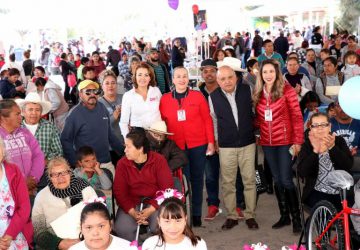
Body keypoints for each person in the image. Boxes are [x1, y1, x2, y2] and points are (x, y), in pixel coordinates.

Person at [160, 67, 215, 227]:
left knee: (197, 180)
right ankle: (182, 214)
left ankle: (196, 214)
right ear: (173, 79)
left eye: (184, 76)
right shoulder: (165, 99)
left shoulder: (197, 96)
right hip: (176, 147)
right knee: (180, 182)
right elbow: (162, 124)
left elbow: (207, 119)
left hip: (198, 144)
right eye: (178, 76)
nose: (182, 79)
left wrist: (211, 141)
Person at [253, 59, 304, 234]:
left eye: (271, 72)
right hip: (267, 143)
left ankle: (297, 219)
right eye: (264, 72)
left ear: (277, 73)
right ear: (260, 74)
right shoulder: (259, 93)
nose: (268, 75)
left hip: (285, 141)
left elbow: (297, 117)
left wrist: (298, 141)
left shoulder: (287, 90)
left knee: (286, 179)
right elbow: (259, 119)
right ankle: (285, 216)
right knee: (276, 179)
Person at [209, 66, 258, 230]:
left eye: (230, 77)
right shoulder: (213, 96)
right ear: (218, 81)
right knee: (228, 182)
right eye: (222, 79)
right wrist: (216, 140)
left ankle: (250, 214)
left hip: (247, 143)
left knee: (249, 181)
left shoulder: (247, 89)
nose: (227, 81)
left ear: (236, 77)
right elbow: (214, 120)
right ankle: (232, 216)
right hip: (226, 146)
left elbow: (255, 111)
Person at [113, 129, 174, 241]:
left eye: (128, 146)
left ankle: (156, 246)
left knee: (160, 226)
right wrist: (133, 213)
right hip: (132, 203)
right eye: (125, 146)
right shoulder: (122, 164)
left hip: (155, 203)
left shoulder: (158, 160)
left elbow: (166, 189)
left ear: (140, 148)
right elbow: (119, 192)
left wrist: (151, 209)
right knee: (122, 229)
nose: (125, 150)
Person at [32, 157, 97, 250]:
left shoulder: (85, 188)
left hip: (86, 240)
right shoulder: (41, 197)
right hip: (55, 243)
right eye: (55, 174)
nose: (60, 178)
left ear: (70, 173)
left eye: (64, 173)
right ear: (49, 177)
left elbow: (100, 218)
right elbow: (37, 231)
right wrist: (59, 243)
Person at [61, 80, 123, 176]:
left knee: (112, 189)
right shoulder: (74, 114)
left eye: (95, 91)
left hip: (105, 162)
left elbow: (110, 134)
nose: (92, 94)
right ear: (81, 94)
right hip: (86, 166)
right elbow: (65, 139)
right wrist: (75, 162)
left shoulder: (102, 108)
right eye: (88, 92)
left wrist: (123, 152)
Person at [297, 112, 353, 209]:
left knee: (349, 218)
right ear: (311, 128)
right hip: (317, 190)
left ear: (330, 126)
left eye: (324, 125)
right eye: (315, 125)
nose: (320, 128)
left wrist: (332, 147)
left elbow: (348, 165)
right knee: (326, 216)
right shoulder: (307, 145)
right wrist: (315, 151)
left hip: (342, 190)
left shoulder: (339, 141)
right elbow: (302, 172)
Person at [0, 99, 45, 195]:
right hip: (7, 192)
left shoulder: (25, 132)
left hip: (31, 188)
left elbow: (38, 155)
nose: (21, 117)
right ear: (3, 118)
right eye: (17, 114)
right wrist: (21, 182)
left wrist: (34, 179)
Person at [0, 137, 33, 250]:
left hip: (15, 234)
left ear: (3, 150)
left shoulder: (14, 170)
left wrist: (9, 235)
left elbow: (24, 207)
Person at [142, 197, 207, 250]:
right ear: (159, 221)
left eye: (178, 221)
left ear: (185, 220)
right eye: (167, 221)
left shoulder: (198, 245)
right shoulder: (150, 245)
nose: (173, 227)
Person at [120, 62, 162, 138]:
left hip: (157, 135)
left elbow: (163, 112)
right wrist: (127, 140)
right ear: (135, 77)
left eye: (146, 75)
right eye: (139, 75)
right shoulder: (128, 96)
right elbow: (123, 122)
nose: (143, 78)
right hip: (138, 137)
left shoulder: (156, 91)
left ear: (150, 78)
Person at [98, 70, 123, 164]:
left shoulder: (124, 97)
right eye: (107, 83)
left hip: (126, 144)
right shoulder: (98, 104)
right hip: (109, 147)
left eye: (113, 83)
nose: (110, 86)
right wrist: (113, 117)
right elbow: (99, 126)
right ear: (102, 85)